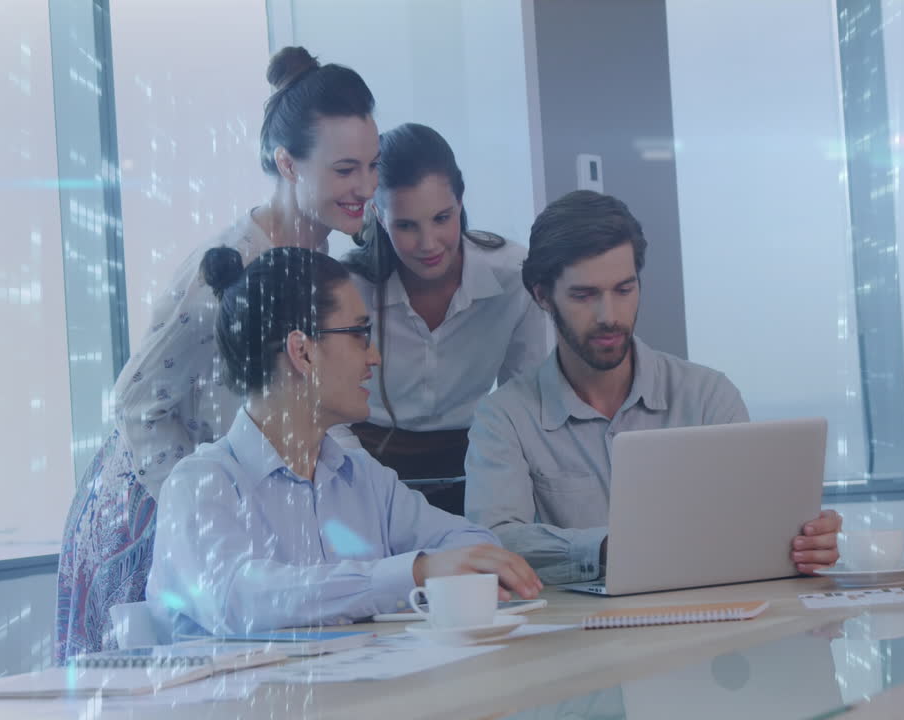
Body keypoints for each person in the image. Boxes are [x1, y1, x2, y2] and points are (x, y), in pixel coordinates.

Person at [56, 46, 381, 658]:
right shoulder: (228, 266)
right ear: (287, 163)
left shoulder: (321, 257)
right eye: (344, 171)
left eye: (372, 165)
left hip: (238, 507)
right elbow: (135, 404)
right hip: (149, 510)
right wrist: (202, 509)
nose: (365, 187)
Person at [147, 247, 540, 636]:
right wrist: (412, 573)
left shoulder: (362, 477)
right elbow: (239, 599)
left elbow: (473, 543)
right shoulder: (200, 484)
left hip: (363, 693)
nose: (375, 357)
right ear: (302, 352)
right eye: (359, 334)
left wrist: (437, 570)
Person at [464, 191, 842, 585]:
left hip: (707, 630)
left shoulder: (707, 396)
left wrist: (804, 542)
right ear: (543, 296)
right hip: (575, 637)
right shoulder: (504, 417)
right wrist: (610, 546)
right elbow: (494, 543)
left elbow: (752, 525)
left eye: (624, 290)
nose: (609, 316)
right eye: (584, 295)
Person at [342, 123, 547, 512]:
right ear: (378, 215)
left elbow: (526, 398)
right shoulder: (348, 287)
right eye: (406, 226)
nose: (428, 244)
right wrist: (363, 486)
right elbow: (327, 417)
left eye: (442, 217)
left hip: (475, 462)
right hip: (364, 463)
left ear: (461, 200)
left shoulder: (515, 274)